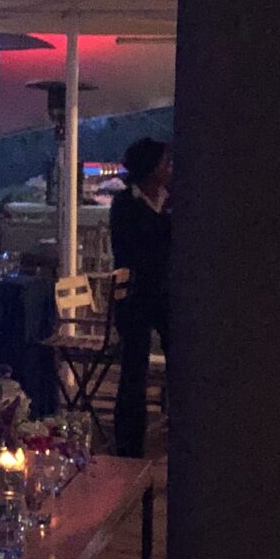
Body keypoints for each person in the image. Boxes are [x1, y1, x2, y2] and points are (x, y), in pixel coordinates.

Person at [106, 137, 173, 458]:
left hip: (168, 293)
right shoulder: (125, 204)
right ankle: (128, 445)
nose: (170, 169)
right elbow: (129, 250)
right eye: (165, 163)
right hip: (135, 294)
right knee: (134, 368)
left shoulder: (172, 200)